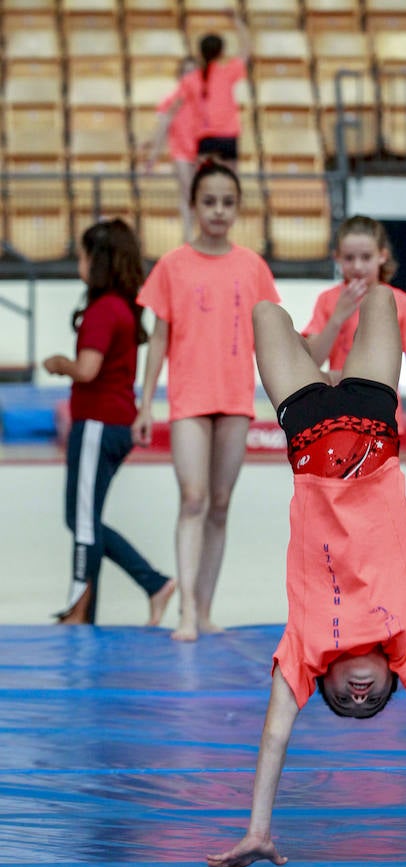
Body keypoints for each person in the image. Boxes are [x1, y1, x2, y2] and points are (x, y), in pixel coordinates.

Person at [207, 287, 406, 867]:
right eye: (374, 700)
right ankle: (334, 334)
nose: (358, 695)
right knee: (382, 300)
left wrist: (257, 831)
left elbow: (273, 742)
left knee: (266, 312)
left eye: (345, 701)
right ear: (396, 678)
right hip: (373, 421)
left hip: (307, 430)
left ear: (325, 683)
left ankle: (319, 348)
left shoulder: (306, 650)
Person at [132, 160, 281, 642]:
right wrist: (143, 402)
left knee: (219, 502)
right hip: (189, 399)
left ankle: (204, 606)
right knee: (193, 497)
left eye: (227, 203)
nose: (218, 211)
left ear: (237, 208)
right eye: (209, 202)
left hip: (235, 398)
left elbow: (270, 336)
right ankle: (186, 616)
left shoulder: (251, 267)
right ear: (194, 205)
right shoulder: (173, 265)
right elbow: (158, 338)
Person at [43, 219, 176, 626]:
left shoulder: (103, 310)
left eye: (83, 255)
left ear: (98, 261)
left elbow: (86, 370)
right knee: (85, 518)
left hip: (99, 422)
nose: (78, 261)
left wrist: (58, 363)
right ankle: (107, 601)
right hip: (113, 423)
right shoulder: (120, 306)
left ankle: (85, 607)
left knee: (81, 520)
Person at [303, 215, 406, 475]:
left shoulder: (402, 304)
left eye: (366, 257)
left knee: (375, 497)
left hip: (381, 419)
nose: (358, 266)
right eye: (349, 258)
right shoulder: (329, 301)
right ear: (337, 258)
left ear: (382, 256)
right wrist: (338, 316)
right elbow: (312, 361)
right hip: (334, 418)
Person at [144, 10, 250, 174]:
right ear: (222, 53)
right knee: (230, 185)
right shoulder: (228, 72)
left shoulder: (191, 79)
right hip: (228, 138)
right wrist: (237, 22)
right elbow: (245, 50)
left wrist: (154, 145)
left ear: (200, 54)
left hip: (205, 140)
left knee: (203, 188)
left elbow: (171, 110)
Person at [142, 55, 199, 242]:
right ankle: (188, 238)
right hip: (181, 152)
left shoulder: (204, 99)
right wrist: (153, 157)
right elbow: (162, 129)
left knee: (196, 195)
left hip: (201, 151)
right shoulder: (173, 100)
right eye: (186, 72)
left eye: (194, 71)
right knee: (188, 193)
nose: (190, 76)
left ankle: (194, 236)